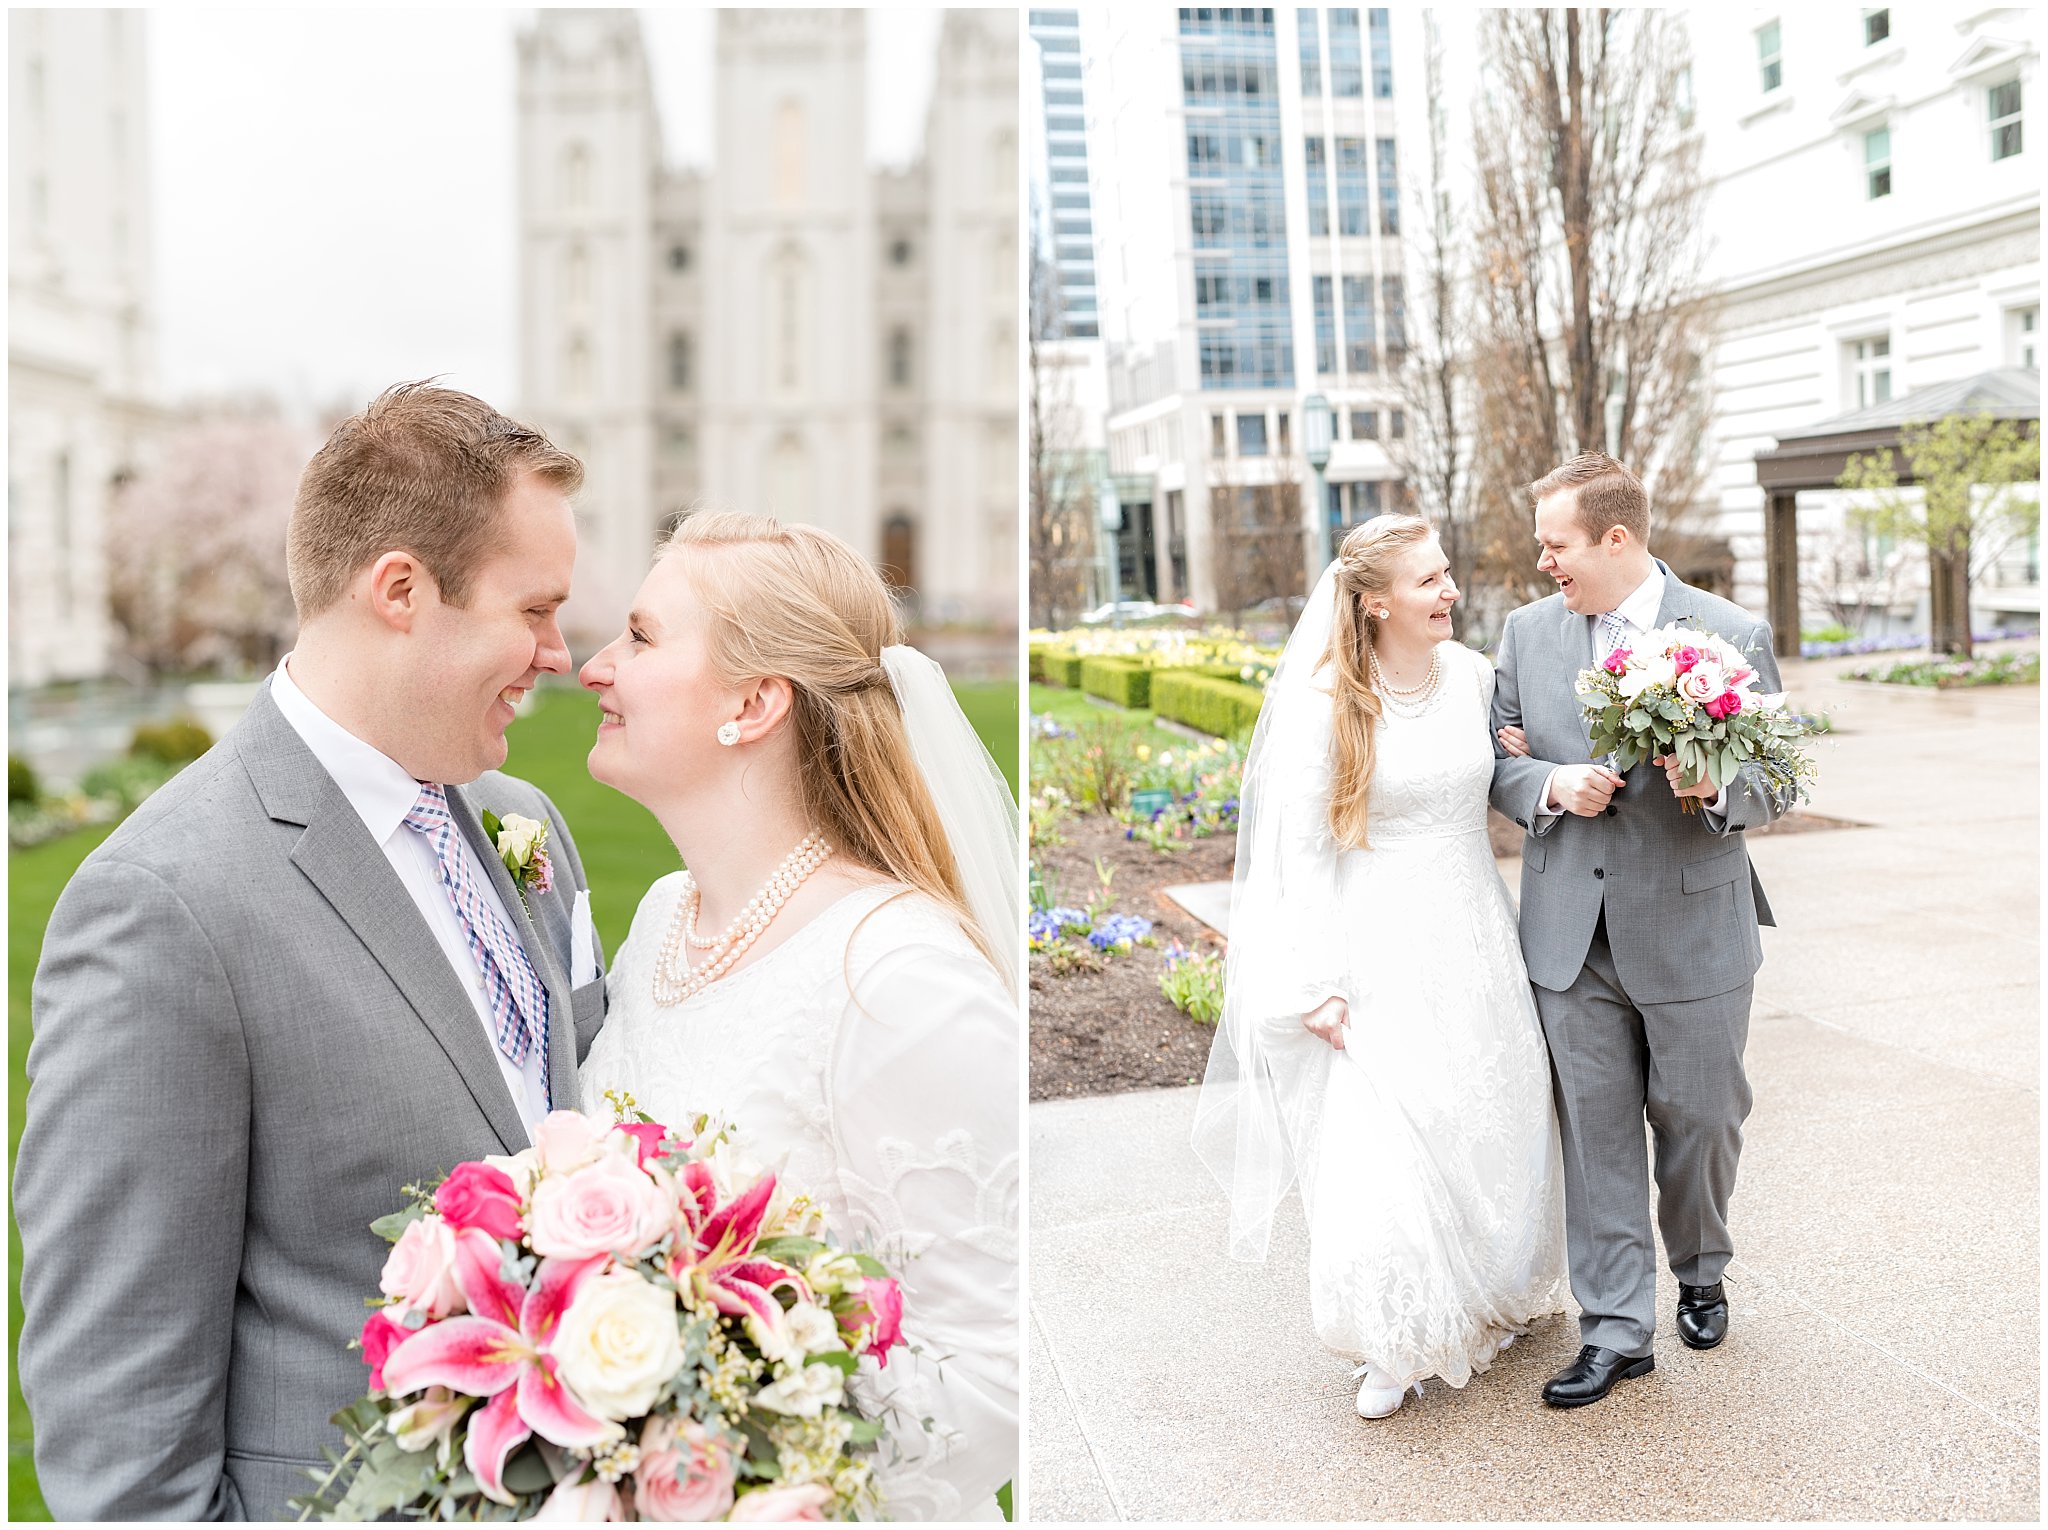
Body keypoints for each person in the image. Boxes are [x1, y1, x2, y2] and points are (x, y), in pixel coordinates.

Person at [15, 383, 608, 1518]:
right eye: (533, 610)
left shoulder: (521, 817)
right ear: (400, 591)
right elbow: (119, 1434)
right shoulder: (162, 907)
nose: (557, 652)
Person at [575, 510, 1019, 1520]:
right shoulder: (660, 920)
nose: (596, 666)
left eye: (641, 638)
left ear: (753, 702)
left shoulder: (897, 978)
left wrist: (719, 1455)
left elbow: (998, 1369)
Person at [1192, 514, 1567, 1421]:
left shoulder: (1476, 676)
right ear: (1373, 603)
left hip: (1475, 931)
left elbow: (1507, 773)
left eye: (1446, 575)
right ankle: (1392, 1338)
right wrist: (1316, 978)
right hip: (1374, 942)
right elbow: (1300, 854)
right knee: (1386, 1132)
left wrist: (1537, 768)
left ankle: (1482, 1294)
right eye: (1429, 581)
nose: (1450, 592)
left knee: (1488, 1111)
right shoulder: (1328, 704)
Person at [1489, 451, 1785, 1409]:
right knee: (1596, 1136)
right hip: (1569, 934)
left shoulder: (1730, 631)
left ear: (1616, 538)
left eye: (1556, 544)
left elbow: (1774, 777)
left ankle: (1701, 1263)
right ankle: (1616, 1329)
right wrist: (1543, 784)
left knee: (1703, 1121)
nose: (1544, 563)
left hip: (1695, 926)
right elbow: (1492, 760)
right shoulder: (1527, 634)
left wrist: (1720, 785)